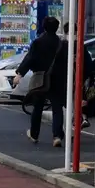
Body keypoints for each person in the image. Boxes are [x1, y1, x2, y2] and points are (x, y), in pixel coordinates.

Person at [14, 16, 67, 147]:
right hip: (58, 79)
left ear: (44, 27)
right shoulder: (61, 43)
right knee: (57, 107)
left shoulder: (38, 42)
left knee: (38, 106)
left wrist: (20, 73)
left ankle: (34, 134)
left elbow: (30, 58)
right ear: (56, 27)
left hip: (41, 78)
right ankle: (57, 136)